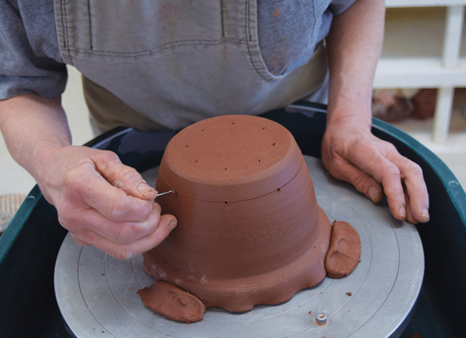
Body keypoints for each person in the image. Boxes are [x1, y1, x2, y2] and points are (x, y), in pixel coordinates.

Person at [0, 0, 429, 260]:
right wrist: (52, 160)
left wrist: (350, 120)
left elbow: (353, 2)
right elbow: (20, 84)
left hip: (296, 133)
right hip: (135, 149)